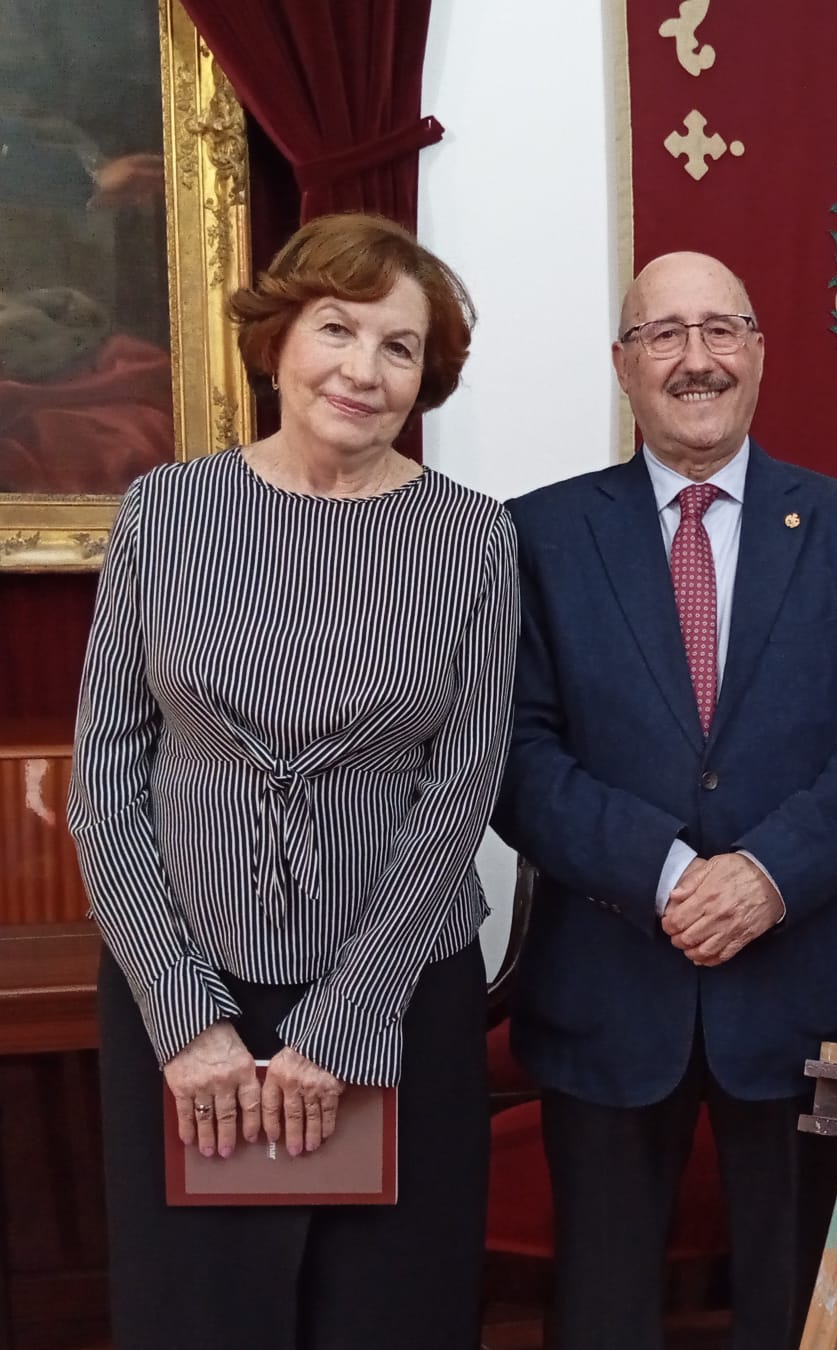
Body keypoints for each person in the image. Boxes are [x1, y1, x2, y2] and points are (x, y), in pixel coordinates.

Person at [68, 212, 517, 1350]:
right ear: (277, 342)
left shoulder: (472, 539)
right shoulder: (164, 513)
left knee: (387, 1320)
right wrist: (186, 1022)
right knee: (200, 1321)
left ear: (427, 378)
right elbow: (106, 780)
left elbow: (460, 793)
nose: (363, 371)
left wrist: (344, 1024)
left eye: (400, 347)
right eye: (338, 328)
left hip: (399, 996)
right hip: (186, 996)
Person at [492, 251, 837, 1350]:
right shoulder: (535, 536)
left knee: (795, 1317)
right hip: (605, 993)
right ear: (622, 365)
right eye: (663, 335)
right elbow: (511, 751)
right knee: (600, 1318)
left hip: (797, 991)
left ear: (758, 353)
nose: (695, 359)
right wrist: (666, 874)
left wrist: (767, 875)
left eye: (719, 330)